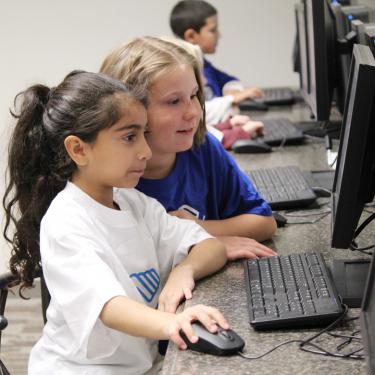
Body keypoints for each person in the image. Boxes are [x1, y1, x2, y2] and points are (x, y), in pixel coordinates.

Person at [3, 70, 229, 374]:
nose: (146, 152)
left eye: (144, 135)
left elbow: (208, 246)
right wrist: (173, 322)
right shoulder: (66, 222)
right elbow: (109, 307)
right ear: (79, 149)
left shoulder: (133, 203)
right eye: (129, 137)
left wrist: (184, 270)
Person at [100, 37, 277, 260]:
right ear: (130, 111)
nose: (193, 112)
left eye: (194, 95)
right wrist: (200, 241)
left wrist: (198, 229)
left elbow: (264, 222)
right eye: (174, 101)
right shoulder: (110, 179)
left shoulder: (202, 148)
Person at [169, 0, 264, 104]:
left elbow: (228, 80)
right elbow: (200, 110)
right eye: (213, 30)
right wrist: (231, 100)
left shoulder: (204, 65)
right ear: (191, 36)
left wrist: (231, 89)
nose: (219, 35)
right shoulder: (180, 72)